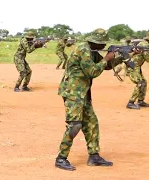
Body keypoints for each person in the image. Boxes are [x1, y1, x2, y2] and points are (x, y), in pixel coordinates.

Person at [55, 28, 116, 171]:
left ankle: (94, 156)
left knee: (91, 123)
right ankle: (61, 158)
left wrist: (119, 57)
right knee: (75, 125)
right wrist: (107, 58)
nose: (103, 47)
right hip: (73, 93)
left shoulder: (91, 50)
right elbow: (93, 71)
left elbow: (105, 66)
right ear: (96, 42)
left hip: (83, 93)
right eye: (102, 44)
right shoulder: (84, 50)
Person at [126, 32, 149, 109]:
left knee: (143, 82)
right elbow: (148, 59)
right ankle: (130, 102)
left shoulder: (145, 44)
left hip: (136, 66)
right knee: (140, 82)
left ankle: (140, 101)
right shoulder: (144, 45)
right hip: (132, 66)